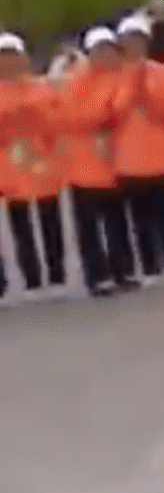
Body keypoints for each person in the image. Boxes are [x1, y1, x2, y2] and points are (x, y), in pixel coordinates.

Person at [111, 16, 164, 283]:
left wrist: (153, 100)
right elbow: (111, 114)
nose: (133, 45)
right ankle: (149, 268)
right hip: (128, 159)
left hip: (162, 156)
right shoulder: (115, 77)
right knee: (140, 220)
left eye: (138, 40)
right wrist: (132, 91)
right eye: (128, 41)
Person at [60, 27, 134, 296]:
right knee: (89, 225)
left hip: (116, 161)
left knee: (117, 221)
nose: (105, 55)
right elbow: (74, 117)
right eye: (98, 50)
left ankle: (122, 270)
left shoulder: (125, 76)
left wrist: (105, 112)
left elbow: (122, 110)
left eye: (109, 49)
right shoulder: (78, 80)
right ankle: (97, 275)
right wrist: (104, 110)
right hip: (84, 163)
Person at [0, 32, 69, 300]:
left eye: (12, 57)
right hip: (9, 162)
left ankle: (56, 275)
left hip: (42, 158)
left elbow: (56, 120)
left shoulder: (42, 87)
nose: (8, 63)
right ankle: (31, 279)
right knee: (20, 223)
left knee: (50, 219)